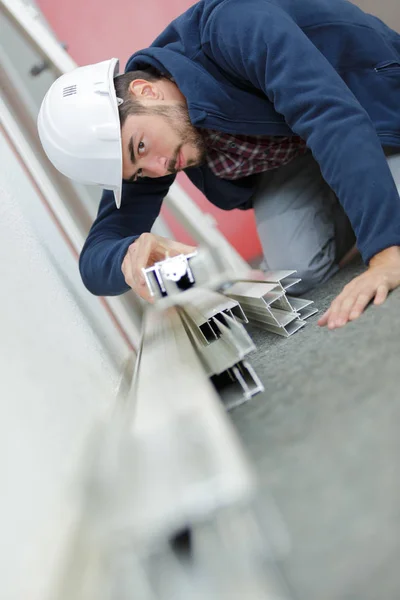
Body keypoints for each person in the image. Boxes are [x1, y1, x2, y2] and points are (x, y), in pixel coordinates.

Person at [38, 0, 400, 330]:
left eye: (141, 147)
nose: (159, 167)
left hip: (370, 105)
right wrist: (127, 255)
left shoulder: (233, 22)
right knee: (295, 270)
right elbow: (95, 259)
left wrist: (385, 255)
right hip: (300, 150)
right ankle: (359, 199)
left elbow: (329, 116)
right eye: (138, 172)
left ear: (144, 91)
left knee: (391, 233)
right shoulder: (143, 142)